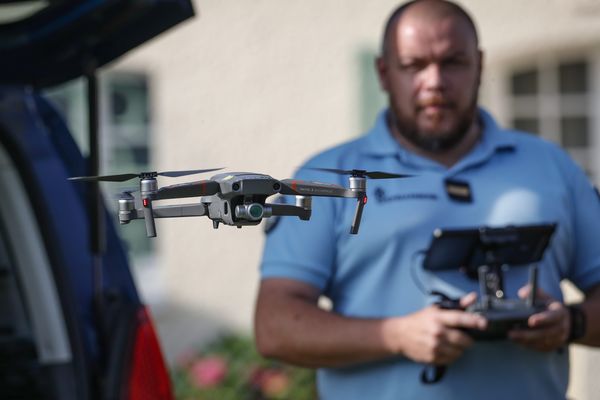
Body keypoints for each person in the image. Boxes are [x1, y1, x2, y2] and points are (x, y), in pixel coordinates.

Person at [254, 0, 600, 398]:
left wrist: (570, 322)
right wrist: (395, 336)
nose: (435, 81)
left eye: (453, 62)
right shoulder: (326, 177)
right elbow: (274, 327)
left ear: (480, 65)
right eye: (414, 65)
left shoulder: (551, 167)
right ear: (383, 73)